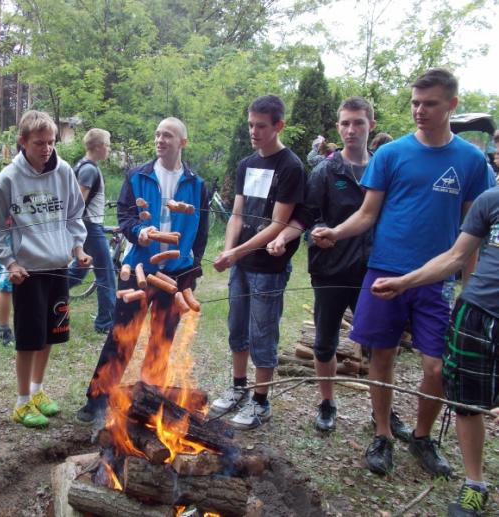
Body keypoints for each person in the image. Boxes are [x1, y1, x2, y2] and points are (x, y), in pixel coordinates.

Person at [311, 69, 494, 477]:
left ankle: (423, 437)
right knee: (382, 356)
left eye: (429, 103)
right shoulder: (392, 155)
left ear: (451, 105)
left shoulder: (470, 161)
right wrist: (334, 233)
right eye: (415, 102)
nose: (419, 110)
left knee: (435, 366)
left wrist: (470, 286)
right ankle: (383, 434)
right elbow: (367, 214)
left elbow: (473, 233)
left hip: (437, 279)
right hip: (384, 271)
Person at [267, 96, 411, 439]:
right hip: (330, 270)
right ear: (337, 127)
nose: (351, 130)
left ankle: (383, 412)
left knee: (379, 345)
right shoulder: (325, 171)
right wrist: (314, 235)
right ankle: (327, 403)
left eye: (358, 123)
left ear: (371, 126)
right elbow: (309, 216)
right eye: (345, 123)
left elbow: (393, 216)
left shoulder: (385, 167)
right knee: (325, 342)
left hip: (376, 269)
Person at [370, 186, 499, 516]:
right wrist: (404, 282)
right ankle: (475, 485)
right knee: (467, 403)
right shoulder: (491, 200)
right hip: (477, 312)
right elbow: (456, 256)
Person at [75, 117, 209, 425]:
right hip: (137, 268)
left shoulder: (197, 185)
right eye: (158, 134)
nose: (160, 139)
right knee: (122, 335)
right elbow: (125, 214)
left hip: (176, 273)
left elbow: (201, 230)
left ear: (182, 143)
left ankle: (149, 400)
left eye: (168, 135)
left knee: (162, 339)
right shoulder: (138, 175)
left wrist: (193, 269)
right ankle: (98, 399)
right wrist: (138, 231)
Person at [0, 110, 91, 428]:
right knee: (28, 339)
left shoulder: (64, 172)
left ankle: (38, 390)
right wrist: (10, 263)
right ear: (22, 142)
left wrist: (78, 248)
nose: (46, 149)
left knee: (49, 335)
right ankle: (21, 402)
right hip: (28, 272)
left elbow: (75, 215)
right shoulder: (8, 179)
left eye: (50, 142)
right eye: (39, 143)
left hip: (58, 266)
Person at [211, 95, 307, 429]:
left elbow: (278, 224)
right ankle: (239, 388)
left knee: (262, 333)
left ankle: (261, 401)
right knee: (237, 328)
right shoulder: (246, 164)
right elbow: (237, 213)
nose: (254, 131)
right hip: (240, 266)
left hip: (268, 268)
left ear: (278, 125)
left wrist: (238, 252)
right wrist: (228, 250)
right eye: (251, 124)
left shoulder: (290, 167)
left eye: (261, 126)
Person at [66, 128, 117, 333]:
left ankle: (47, 293)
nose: (109, 149)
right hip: (89, 227)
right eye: (107, 144)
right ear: (97, 146)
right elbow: (77, 203)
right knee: (106, 273)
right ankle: (105, 322)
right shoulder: (89, 170)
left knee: (78, 271)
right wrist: (75, 233)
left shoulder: (84, 165)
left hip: (89, 226)